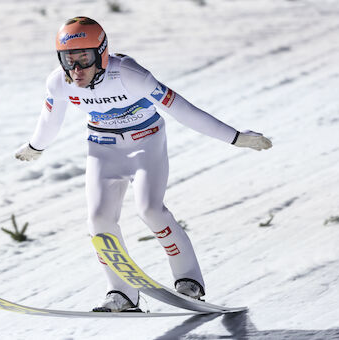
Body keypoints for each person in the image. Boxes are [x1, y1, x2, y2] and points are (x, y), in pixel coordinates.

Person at [15, 17, 272, 312]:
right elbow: (50, 119)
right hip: (102, 148)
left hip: (146, 143)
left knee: (150, 210)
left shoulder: (129, 74)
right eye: (68, 60)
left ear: (102, 52)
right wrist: (36, 146)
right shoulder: (60, 82)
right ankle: (121, 294)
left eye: (84, 58)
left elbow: (182, 109)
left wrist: (235, 137)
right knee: (98, 220)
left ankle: (189, 279)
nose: (76, 69)